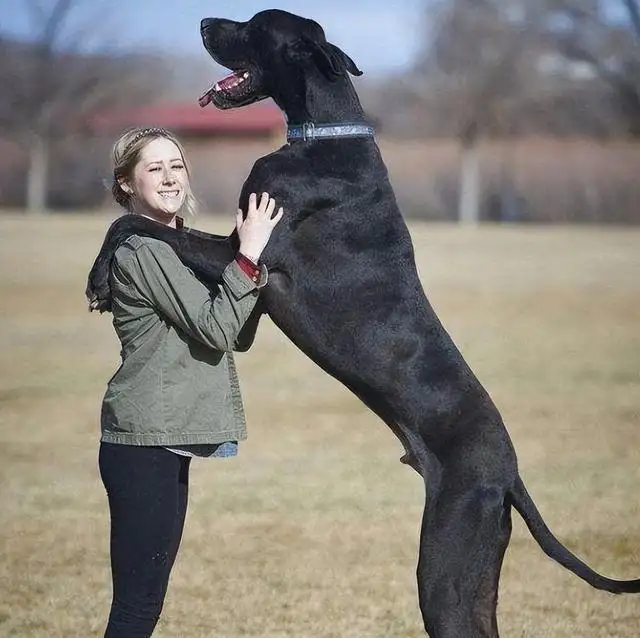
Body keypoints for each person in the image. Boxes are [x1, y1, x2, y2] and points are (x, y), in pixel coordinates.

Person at [95, 126, 283, 637]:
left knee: (145, 604)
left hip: (163, 439)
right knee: (135, 608)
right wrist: (249, 254)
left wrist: (248, 265)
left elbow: (232, 333)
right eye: (153, 168)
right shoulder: (144, 250)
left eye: (175, 164)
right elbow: (219, 327)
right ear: (127, 184)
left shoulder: (175, 244)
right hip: (144, 441)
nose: (169, 176)